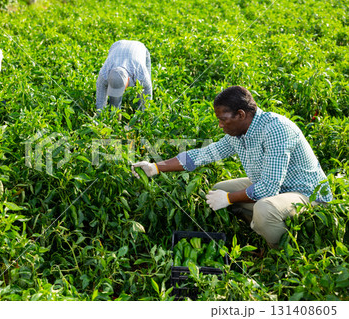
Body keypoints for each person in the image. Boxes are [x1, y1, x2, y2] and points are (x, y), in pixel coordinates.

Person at [131, 86, 332, 248]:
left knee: (262, 208)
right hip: (275, 188)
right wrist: (155, 168)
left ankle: (283, 253)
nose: (220, 125)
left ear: (241, 114)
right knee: (219, 189)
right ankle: (262, 228)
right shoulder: (238, 134)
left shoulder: (277, 129)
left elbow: (269, 188)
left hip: (307, 193)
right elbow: (202, 155)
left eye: (223, 119)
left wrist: (228, 199)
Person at [96, 40, 152, 114]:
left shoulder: (141, 74)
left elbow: (147, 96)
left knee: (142, 97)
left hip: (139, 48)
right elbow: (100, 103)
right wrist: (101, 117)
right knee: (114, 101)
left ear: (128, 79)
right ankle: (116, 116)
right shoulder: (104, 74)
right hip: (117, 45)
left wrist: (142, 115)